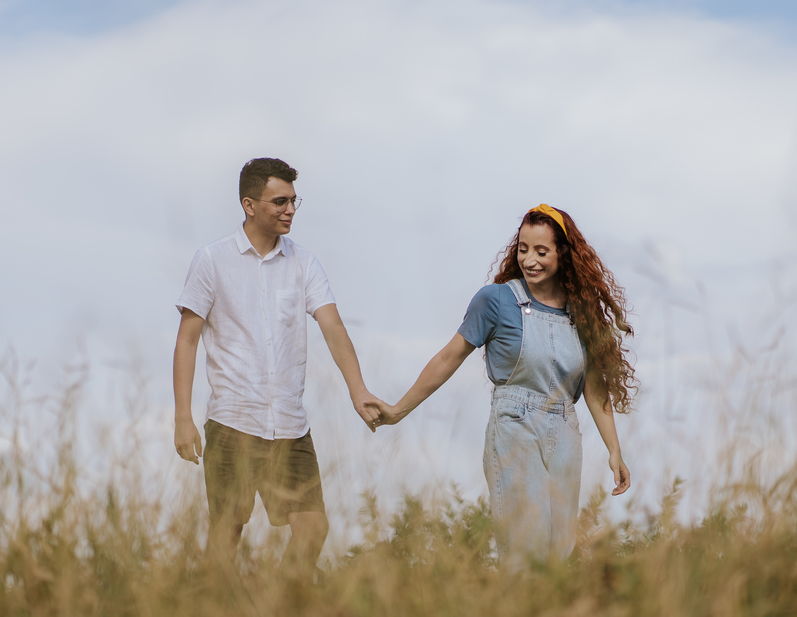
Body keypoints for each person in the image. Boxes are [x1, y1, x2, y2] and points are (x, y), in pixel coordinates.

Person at [373, 204, 635, 570]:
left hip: (565, 428)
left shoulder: (580, 312)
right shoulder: (495, 301)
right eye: (523, 249)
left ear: (564, 253)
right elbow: (449, 357)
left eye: (541, 251)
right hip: (514, 423)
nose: (530, 260)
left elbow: (594, 388)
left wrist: (614, 451)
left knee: (559, 549)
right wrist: (398, 410)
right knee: (525, 546)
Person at [172, 157, 381, 577]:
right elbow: (187, 340)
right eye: (279, 201)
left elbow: (333, 328)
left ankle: (278, 614)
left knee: (313, 529)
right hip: (232, 423)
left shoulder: (304, 263)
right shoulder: (211, 260)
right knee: (227, 532)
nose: (290, 210)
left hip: (290, 427)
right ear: (249, 205)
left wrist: (359, 391)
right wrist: (182, 418)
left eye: (293, 201)